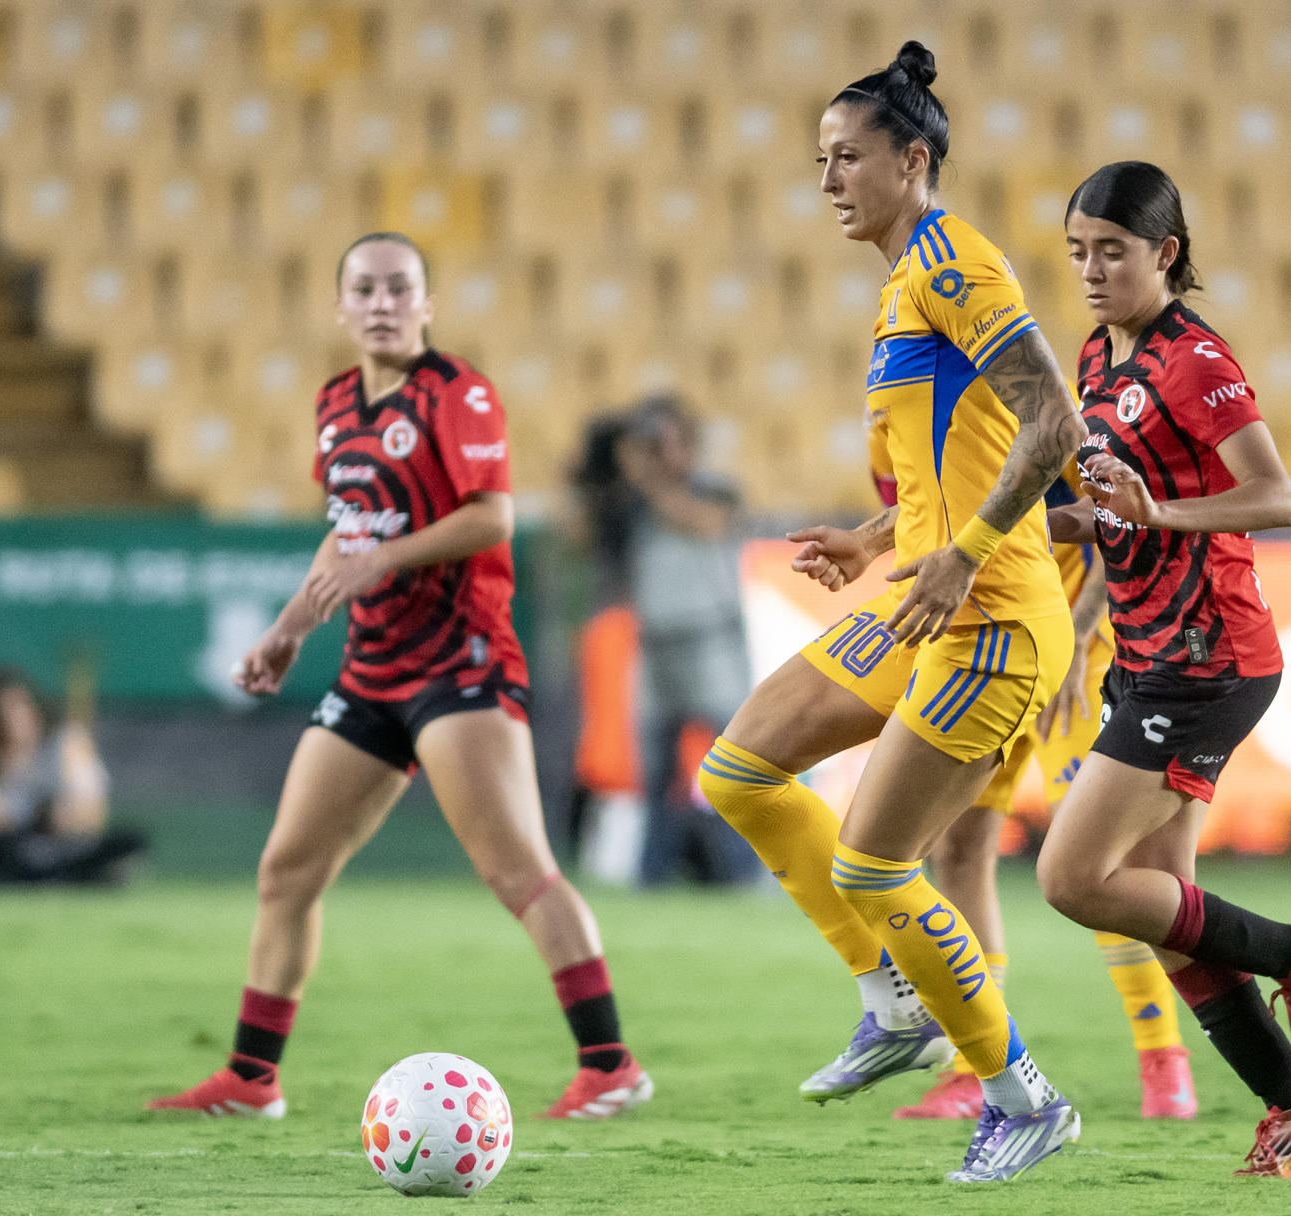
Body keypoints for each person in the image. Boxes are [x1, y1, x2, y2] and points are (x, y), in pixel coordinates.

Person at [148, 232, 650, 1122]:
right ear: (340, 307)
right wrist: (288, 630)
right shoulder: (336, 402)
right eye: (365, 289)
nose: (382, 302)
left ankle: (609, 1062)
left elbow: (492, 518)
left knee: (519, 872)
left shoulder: (460, 393)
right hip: (371, 670)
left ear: (427, 305)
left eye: (400, 288)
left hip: (461, 664)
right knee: (287, 869)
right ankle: (252, 1077)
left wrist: (385, 560)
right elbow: (347, 531)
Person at [696, 43, 1086, 1183]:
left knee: (876, 867)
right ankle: (891, 997)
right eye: (819, 160)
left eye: (847, 157)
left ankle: (1024, 1098)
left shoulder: (956, 268)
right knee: (738, 769)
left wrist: (961, 558)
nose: (826, 180)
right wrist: (876, 540)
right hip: (932, 596)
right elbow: (947, 464)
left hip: (998, 618)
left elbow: (1054, 424)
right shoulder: (901, 283)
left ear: (913, 160)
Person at [1034, 162, 1291, 1178]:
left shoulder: (1194, 360)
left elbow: (1276, 494)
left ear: (1165, 252)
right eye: (1079, 251)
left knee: (1074, 877)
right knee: (1168, 908)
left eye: (1112, 252)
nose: (1091, 270)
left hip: (1209, 660)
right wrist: (1086, 618)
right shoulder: (1098, 356)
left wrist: (1155, 513)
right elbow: (1118, 514)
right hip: (1144, 656)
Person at [882, 452, 1198, 1123]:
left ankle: (1162, 1057)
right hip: (981, 650)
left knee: (1096, 864)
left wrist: (1085, 626)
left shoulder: (1034, 409)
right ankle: (975, 1066)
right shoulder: (901, 418)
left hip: (1076, 653)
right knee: (959, 849)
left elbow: (1120, 525)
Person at [613, 397, 763, 887]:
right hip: (655, 644)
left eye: (669, 443)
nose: (660, 455)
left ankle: (746, 872)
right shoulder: (628, 501)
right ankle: (650, 874)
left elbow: (707, 524)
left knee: (735, 762)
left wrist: (649, 481)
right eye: (652, 446)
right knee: (655, 771)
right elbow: (580, 535)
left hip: (711, 640)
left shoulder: (716, 491)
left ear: (692, 446)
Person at [0, 665, 144, 885]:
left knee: (125, 843)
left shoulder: (68, 746)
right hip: (5, 849)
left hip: (61, 846)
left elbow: (91, 812)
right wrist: (2, 813)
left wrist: (59, 816)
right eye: (5, 713)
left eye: (22, 708)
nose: (16, 721)